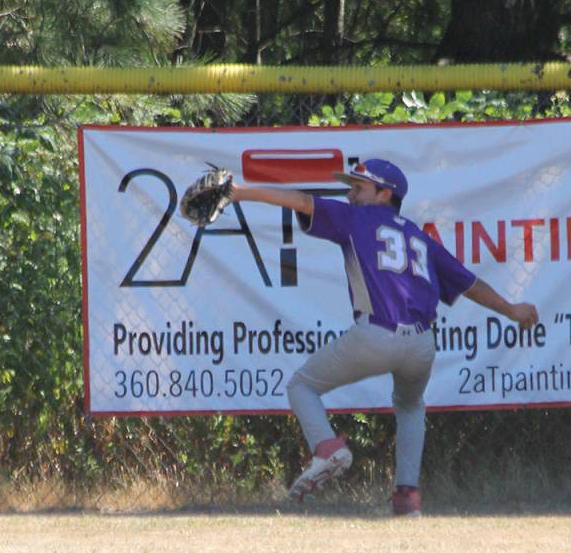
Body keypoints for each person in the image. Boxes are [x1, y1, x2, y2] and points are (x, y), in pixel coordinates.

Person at [229, 159, 539, 516]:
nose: (351, 194)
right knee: (410, 405)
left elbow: (301, 201)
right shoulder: (420, 237)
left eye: (359, 188)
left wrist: (241, 191)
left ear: (384, 193)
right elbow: (469, 284)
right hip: (422, 345)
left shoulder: (356, 218)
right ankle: (408, 497)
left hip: (376, 334)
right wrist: (512, 309)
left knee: (302, 386)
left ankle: (328, 448)